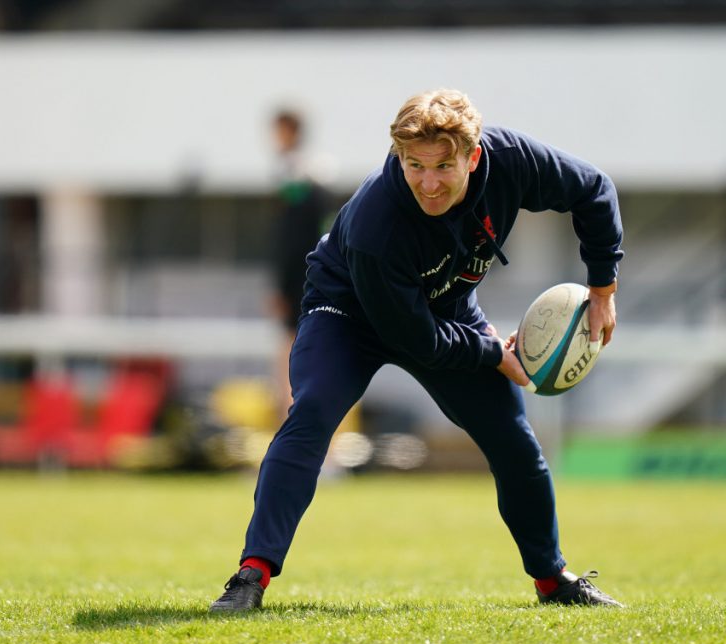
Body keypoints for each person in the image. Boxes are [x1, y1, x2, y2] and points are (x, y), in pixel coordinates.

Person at [210, 89, 624, 611]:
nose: (428, 183)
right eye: (414, 166)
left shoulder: (512, 160)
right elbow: (417, 339)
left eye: (443, 166)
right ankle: (252, 574)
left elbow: (594, 189)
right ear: (398, 156)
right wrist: (492, 352)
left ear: (473, 156)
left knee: (514, 441)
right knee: (311, 413)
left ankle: (552, 580)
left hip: (445, 311)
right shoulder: (376, 222)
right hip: (348, 313)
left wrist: (602, 290)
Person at [266, 109, 332, 418]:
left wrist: (281, 286)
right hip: (313, 275)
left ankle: (293, 421)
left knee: (293, 351)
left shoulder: (297, 176)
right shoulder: (312, 171)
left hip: (301, 279)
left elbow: (292, 237)